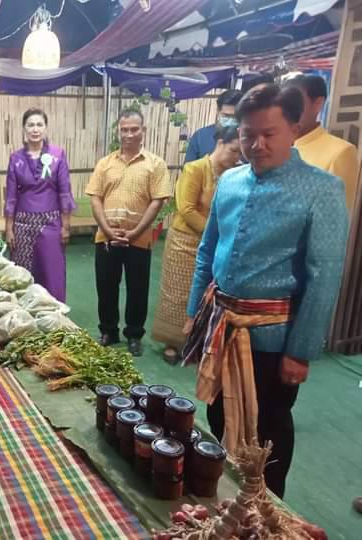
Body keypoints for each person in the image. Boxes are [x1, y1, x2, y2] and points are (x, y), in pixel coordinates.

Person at [183, 84, 348, 498]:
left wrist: (300, 351)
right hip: (220, 323)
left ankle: (269, 513)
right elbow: (208, 250)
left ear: (294, 127)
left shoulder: (322, 189)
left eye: (269, 134)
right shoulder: (230, 181)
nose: (257, 145)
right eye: (247, 134)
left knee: (269, 428)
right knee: (217, 412)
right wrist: (194, 313)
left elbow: (325, 274)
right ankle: (224, 499)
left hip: (274, 339)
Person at [152, 121, 241, 362]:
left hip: (217, 244)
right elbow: (187, 209)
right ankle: (173, 342)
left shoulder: (235, 175)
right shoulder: (195, 169)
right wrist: (215, 234)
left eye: (240, 153)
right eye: (233, 150)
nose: (236, 158)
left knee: (208, 293)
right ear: (220, 143)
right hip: (185, 241)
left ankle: (201, 341)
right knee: (178, 293)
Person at [86, 108, 172, 355]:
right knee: (106, 286)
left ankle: (134, 335)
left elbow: (157, 202)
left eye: (134, 129)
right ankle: (108, 331)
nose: (129, 134)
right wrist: (106, 229)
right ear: (119, 131)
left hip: (139, 239)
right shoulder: (105, 163)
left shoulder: (155, 164)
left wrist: (134, 232)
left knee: (138, 288)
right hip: (106, 238)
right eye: (124, 129)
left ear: (143, 130)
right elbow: (95, 198)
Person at [4, 108, 75, 302]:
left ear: (45, 128)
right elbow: (11, 196)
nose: (35, 129)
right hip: (22, 225)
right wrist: (9, 229)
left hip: (51, 224)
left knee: (52, 273)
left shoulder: (58, 154)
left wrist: (65, 226)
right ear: (24, 129)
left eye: (39, 124)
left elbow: (64, 191)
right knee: (22, 276)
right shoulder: (16, 158)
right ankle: (22, 314)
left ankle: (54, 313)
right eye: (30, 125)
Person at [283, 74, 360, 211]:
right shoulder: (277, 147)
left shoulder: (341, 153)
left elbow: (340, 214)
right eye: (283, 104)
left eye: (294, 104)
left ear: (318, 103)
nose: (287, 111)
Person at [185, 89, 243, 163]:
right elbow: (188, 168)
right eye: (226, 116)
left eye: (235, 116)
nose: (231, 120)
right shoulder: (201, 137)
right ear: (218, 111)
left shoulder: (250, 138)